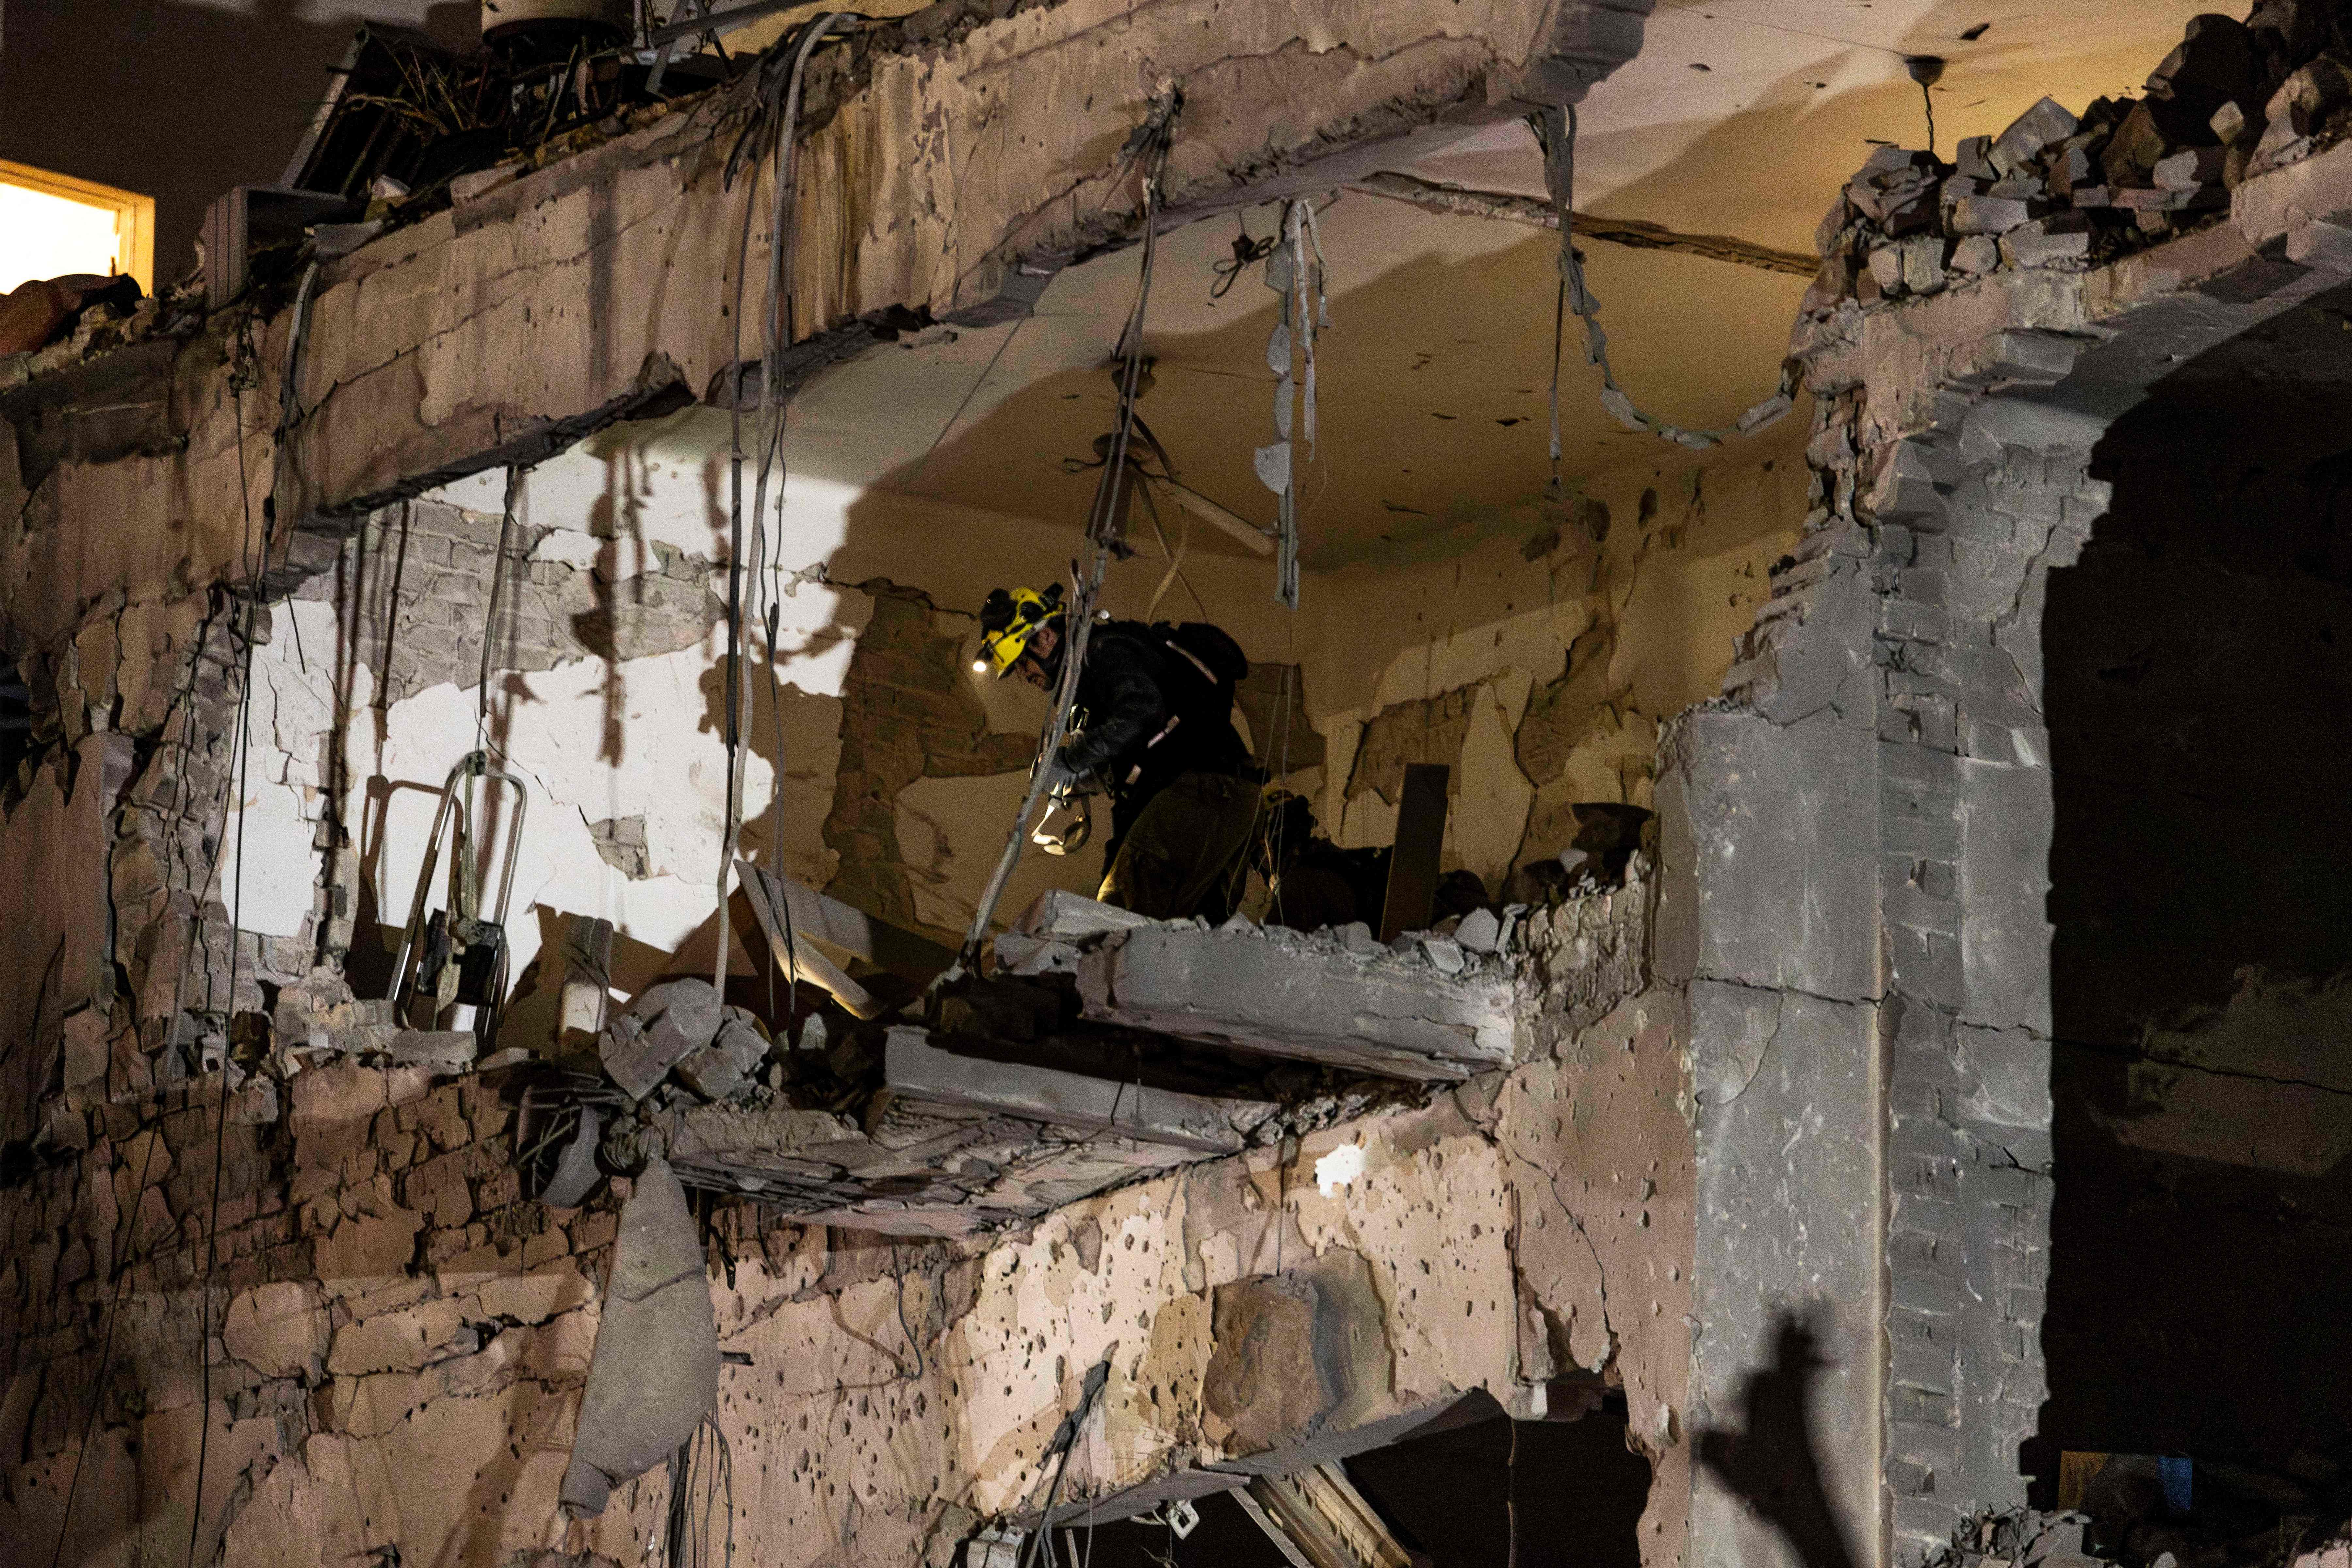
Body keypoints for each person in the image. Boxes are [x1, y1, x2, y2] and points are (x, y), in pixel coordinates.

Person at [976, 584, 1261, 921]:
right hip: (1220, 795)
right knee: (1186, 928)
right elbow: (1142, 744)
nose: (1026, 675)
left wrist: (1072, 761)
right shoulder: (1093, 677)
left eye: (1023, 663)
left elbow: (1141, 712)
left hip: (1201, 791)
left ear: (1046, 638)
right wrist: (1080, 781)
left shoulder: (1104, 652)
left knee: (1119, 921)